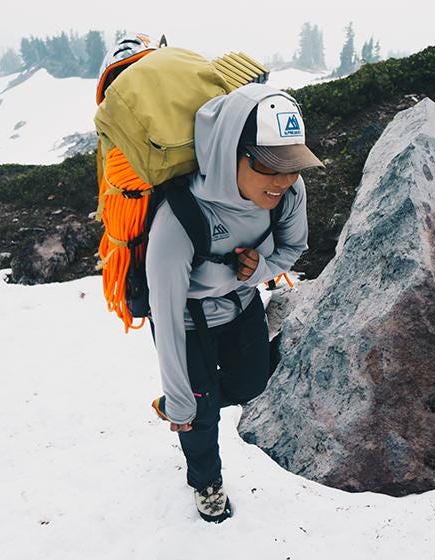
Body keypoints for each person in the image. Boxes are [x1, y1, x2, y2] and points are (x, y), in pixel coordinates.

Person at [146, 83, 323, 523]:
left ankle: (198, 397)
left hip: (243, 304)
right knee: (197, 414)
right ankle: (206, 480)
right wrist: (180, 397)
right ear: (230, 153)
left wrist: (259, 271)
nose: (283, 180)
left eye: (292, 165)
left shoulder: (288, 193)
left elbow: (292, 248)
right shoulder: (180, 218)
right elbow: (164, 315)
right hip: (187, 325)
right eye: (269, 165)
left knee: (251, 386)